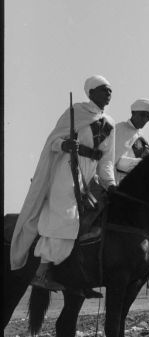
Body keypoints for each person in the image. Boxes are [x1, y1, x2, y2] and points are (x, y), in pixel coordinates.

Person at [11, 75, 117, 292]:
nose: (109, 93)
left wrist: (110, 183)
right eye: (104, 89)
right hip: (67, 169)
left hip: (89, 176)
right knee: (65, 216)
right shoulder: (76, 112)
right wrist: (64, 144)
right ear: (91, 92)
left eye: (110, 90)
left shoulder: (111, 123)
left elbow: (106, 160)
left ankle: (79, 273)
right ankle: (42, 271)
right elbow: (53, 142)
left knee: (94, 218)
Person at [114, 99, 149, 183]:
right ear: (133, 113)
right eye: (142, 115)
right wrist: (140, 163)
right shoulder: (119, 129)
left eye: (148, 117)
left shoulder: (142, 138)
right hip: (115, 184)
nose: (144, 119)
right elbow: (113, 161)